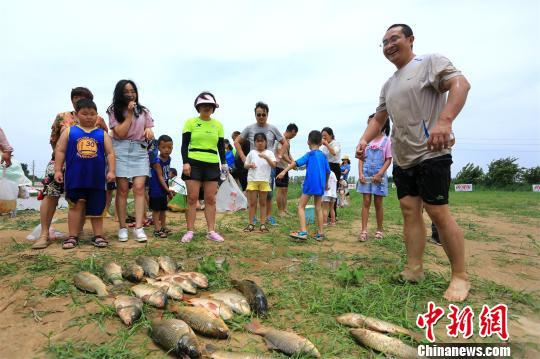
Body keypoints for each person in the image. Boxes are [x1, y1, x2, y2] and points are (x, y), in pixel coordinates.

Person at [356, 24, 471, 301]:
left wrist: (445, 121)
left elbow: (460, 84)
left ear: (410, 40)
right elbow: (380, 118)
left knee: (437, 211)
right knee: (409, 211)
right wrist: (364, 139)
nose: (388, 45)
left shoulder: (429, 63)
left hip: (432, 152)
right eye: (383, 42)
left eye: (394, 38)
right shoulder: (389, 84)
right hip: (403, 156)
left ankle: (460, 276)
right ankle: (414, 268)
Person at [32, 87, 109, 249]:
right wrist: (60, 165)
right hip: (61, 163)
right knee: (51, 195)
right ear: (72, 100)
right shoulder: (62, 117)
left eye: (84, 97)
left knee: (83, 201)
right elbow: (55, 141)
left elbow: (105, 145)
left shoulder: (98, 120)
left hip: (90, 169)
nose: (79, 99)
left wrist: (110, 170)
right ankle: (44, 234)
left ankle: (76, 234)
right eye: (76, 97)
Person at [53, 99, 115, 248]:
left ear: (97, 116)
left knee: (97, 208)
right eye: (85, 113)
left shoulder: (102, 134)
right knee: (75, 206)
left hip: (97, 180)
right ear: (76, 114)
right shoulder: (70, 131)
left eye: (92, 114)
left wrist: (112, 171)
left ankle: (98, 235)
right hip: (75, 178)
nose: (89, 116)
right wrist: (57, 170)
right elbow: (60, 150)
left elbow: (110, 153)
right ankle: (72, 236)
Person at [108, 79, 154, 242]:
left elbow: (149, 128)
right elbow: (119, 133)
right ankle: (122, 227)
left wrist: (148, 129)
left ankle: (139, 227)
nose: (130, 94)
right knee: (121, 190)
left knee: (140, 188)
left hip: (140, 150)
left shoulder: (143, 111)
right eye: (126, 91)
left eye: (132, 90)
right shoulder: (114, 110)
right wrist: (128, 115)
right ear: (120, 93)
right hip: (120, 148)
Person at [181, 91, 227, 243]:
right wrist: (185, 162)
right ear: (198, 107)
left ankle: (211, 231)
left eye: (210, 105)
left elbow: (221, 147)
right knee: (192, 198)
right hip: (193, 162)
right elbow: (184, 145)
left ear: (214, 107)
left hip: (212, 163)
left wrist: (224, 164)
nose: (207, 107)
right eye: (203, 105)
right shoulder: (190, 123)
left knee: (210, 199)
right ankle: (189, 231)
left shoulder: (218, 125)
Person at [234, 102, 286, 225]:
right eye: (259, 115)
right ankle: (254, 218)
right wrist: (242, 156)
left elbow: (285, 143)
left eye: (263, 114)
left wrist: (278, 156)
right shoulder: (249, 128)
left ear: (267, 114)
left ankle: (268, 217)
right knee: (253, 194)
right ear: (255, 115)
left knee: (268, 194)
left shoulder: (273, 128)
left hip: (269, 167)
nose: (261, 117)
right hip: (254, 167)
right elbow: (237, 142)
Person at [277, 130, 330, 241]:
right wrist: (325, 184)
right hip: (320, 184)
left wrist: (283, 171)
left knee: (301, 206)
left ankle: (303, 232)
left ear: (308, 142)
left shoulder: (309, 155)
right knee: (318, 208)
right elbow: (328, 172)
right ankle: (320, 234)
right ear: (321, 142)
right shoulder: (324, 156)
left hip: (310, 184)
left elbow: (295, 163)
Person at [357, 115, 392, 241]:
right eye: (368, 125)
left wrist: (380, 173)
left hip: (379, 176)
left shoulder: (386, 141)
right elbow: (360, 159)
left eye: (371, 124)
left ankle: (379, 229)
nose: (369, 128)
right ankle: (364, 230)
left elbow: (388, 159)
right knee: (366, 201)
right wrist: (360, 173)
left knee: (378, 203)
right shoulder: (365, 141)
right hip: (366, 174)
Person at [243, 133, 277, 232]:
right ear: (254, 143)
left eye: (262, 141)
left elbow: (274, 165)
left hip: (264, 181)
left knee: (263, 203)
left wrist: (266, 157)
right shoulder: (252, 152)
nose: (260, 143)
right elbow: (245, 165)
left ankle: (262, 224)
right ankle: (251, 224)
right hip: (252, 180)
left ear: (266, 142)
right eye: (258, 141)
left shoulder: (269, 153)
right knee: (252, 203)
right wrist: (250, 165)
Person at [149, 135, 174, 238]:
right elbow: (160, 177)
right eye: (163, 147)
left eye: (169, 147)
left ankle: (163, 227)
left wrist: (168, 189)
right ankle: (157, 229)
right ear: (158, 147)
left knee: (163, 209)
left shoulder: (169, 159)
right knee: (156, 210)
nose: (167, 150)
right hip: (156, 189)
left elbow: (167, 175)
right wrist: (168, 190)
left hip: (164, 188)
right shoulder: (157, 162)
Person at [274, 123, 298, 217]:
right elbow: (282, 154)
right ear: (292, 131)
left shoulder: (288, 140)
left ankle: (284, 209)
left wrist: (293, 162)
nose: (294, 136)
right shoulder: (280, 139)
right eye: (294, 134)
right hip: (279, 167)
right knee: (280, 189)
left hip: (285, 167)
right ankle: (280, 211)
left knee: (285, 189)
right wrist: (291, 163)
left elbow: (288, 153)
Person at [321, 127, 341, 220]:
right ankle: (325, 214)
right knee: (325, 191)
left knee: (333, 192)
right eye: (322, 136)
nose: (324, 138)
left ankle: (333, 215)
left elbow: (334, 153)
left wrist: (326, 145)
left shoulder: (335, 143)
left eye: (325, 136)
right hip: (326, 167)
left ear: (331, 135)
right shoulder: (323, 146)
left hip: (334, 167)